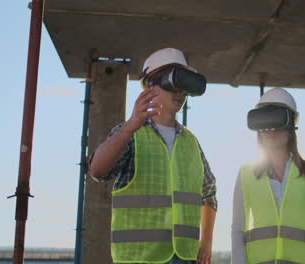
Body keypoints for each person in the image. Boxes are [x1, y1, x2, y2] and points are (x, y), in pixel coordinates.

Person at [89, 48, 217, 264]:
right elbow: (97, 171)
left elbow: (209, 193)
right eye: (172, 83)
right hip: (139, 258)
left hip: (185, 257)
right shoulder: (130, 133)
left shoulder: (191, 142)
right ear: (151, 86)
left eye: (183, 87)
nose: (179, 93)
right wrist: (129, 127)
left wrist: (206, 242)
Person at [231, 88, 305, 264]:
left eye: (277, 121)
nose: (270, 130)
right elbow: (238, 230)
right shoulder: (245, 174)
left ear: (291, 126)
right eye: (265, 122)